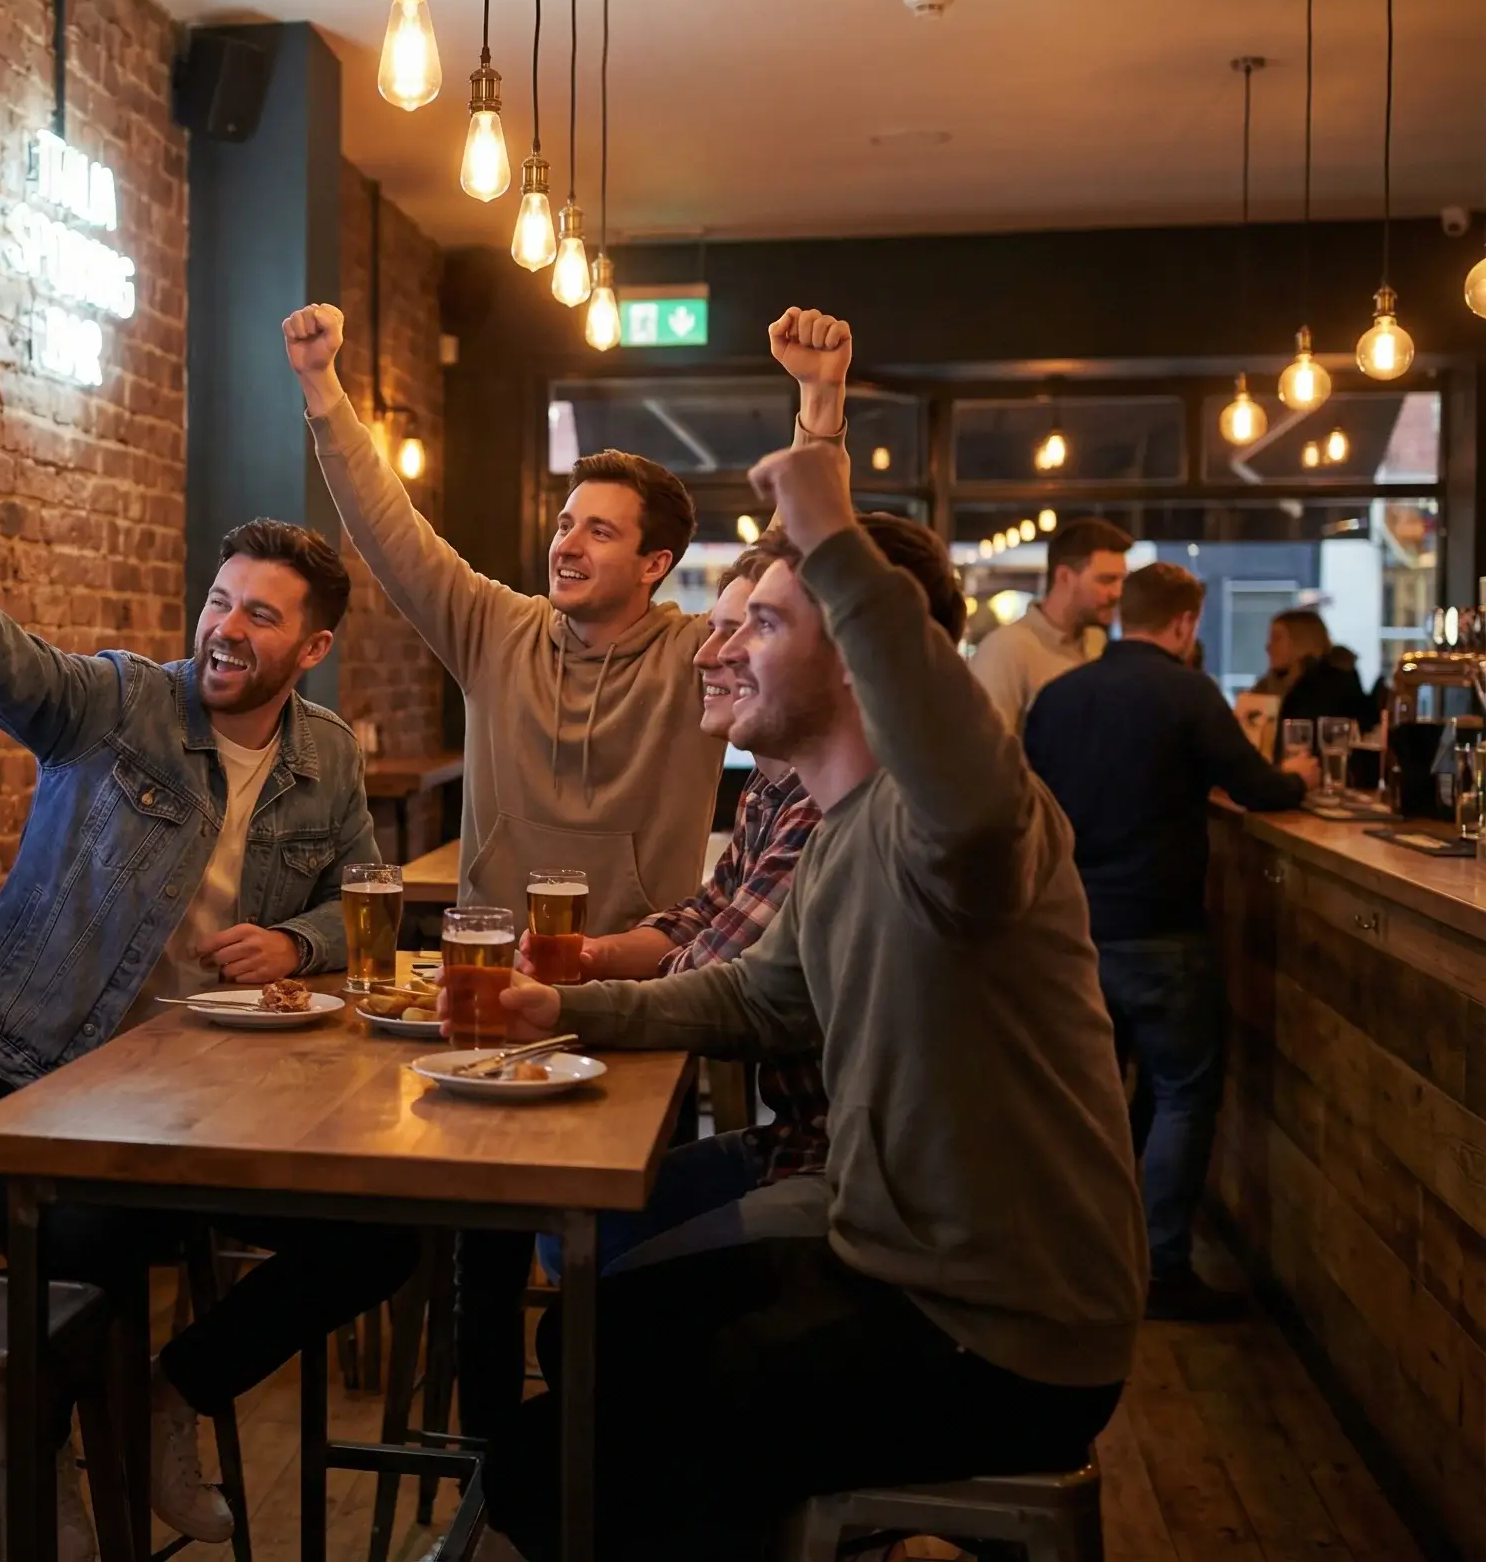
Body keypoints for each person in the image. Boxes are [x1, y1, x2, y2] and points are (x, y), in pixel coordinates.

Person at [462, 441, 1145, 1561]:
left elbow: (966, 798)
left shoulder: (963, 828)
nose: (722, 646)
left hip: (1000, 1329)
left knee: (546, 1463)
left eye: (765, 624)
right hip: (891, 1265)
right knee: (599, 1335)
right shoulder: (835, 839)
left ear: (858, 663)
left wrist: (828, 527)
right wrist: (561, 1007)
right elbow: (757, 997)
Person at [0, 493, 414, 1559]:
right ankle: (42, 1462)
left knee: (382, 1232)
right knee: (99, 1237)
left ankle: (164, 1398)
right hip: (27, 1090)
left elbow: (367, 886)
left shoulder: (324, 753)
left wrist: (301, 943)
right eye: (220, 602)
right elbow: (14, 666)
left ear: (311, 646)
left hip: (205, 1103)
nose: (226, 627)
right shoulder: (121, 704)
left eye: (261, 616)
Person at [282, 302, 854, 934]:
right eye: (565, 525)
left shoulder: (698, 657)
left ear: (653, 563)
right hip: (490, 962)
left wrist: (820, 402)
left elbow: (783, 555)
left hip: (641, 978)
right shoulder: (494, 631)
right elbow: (386, 527)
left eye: (600, 532)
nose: (568, 546)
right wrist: (321, 386)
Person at [453, 544, 834, 1443]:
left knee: (586, 1281)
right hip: (804, 1142)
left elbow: (730, 988)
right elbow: (706, 918)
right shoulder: (778, 792)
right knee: (564, 1234)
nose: (709, 653)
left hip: (843, 1174)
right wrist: (588, 960)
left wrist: (573, 1000)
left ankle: (564, 1484)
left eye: (752, 627)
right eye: (718, 627)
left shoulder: (836, 809)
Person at [1024, 561, 1317, 1320]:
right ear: (1186, 625)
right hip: (1159, 932)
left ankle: (1077, 1252)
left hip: (1069, 931)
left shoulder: (1058, 697)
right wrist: (1297, 776)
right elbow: (1258, 788)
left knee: (1087, 1099)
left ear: (1127, 617)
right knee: (1183, 1093)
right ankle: (1159, 1268)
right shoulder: (1188, 692)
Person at [968, 516, 1132, 733]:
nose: (1117, 593)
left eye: (1122, 580)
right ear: (1064, 577)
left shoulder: (1097, 643)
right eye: (1106, 580)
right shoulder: (1005, 649)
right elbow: (987, 751)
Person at [1254, 607, 1376, 730]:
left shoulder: (1332, 685)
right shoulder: (1271, 684)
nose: (1268, 646)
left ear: (1302, 641)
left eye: (1277, 638)